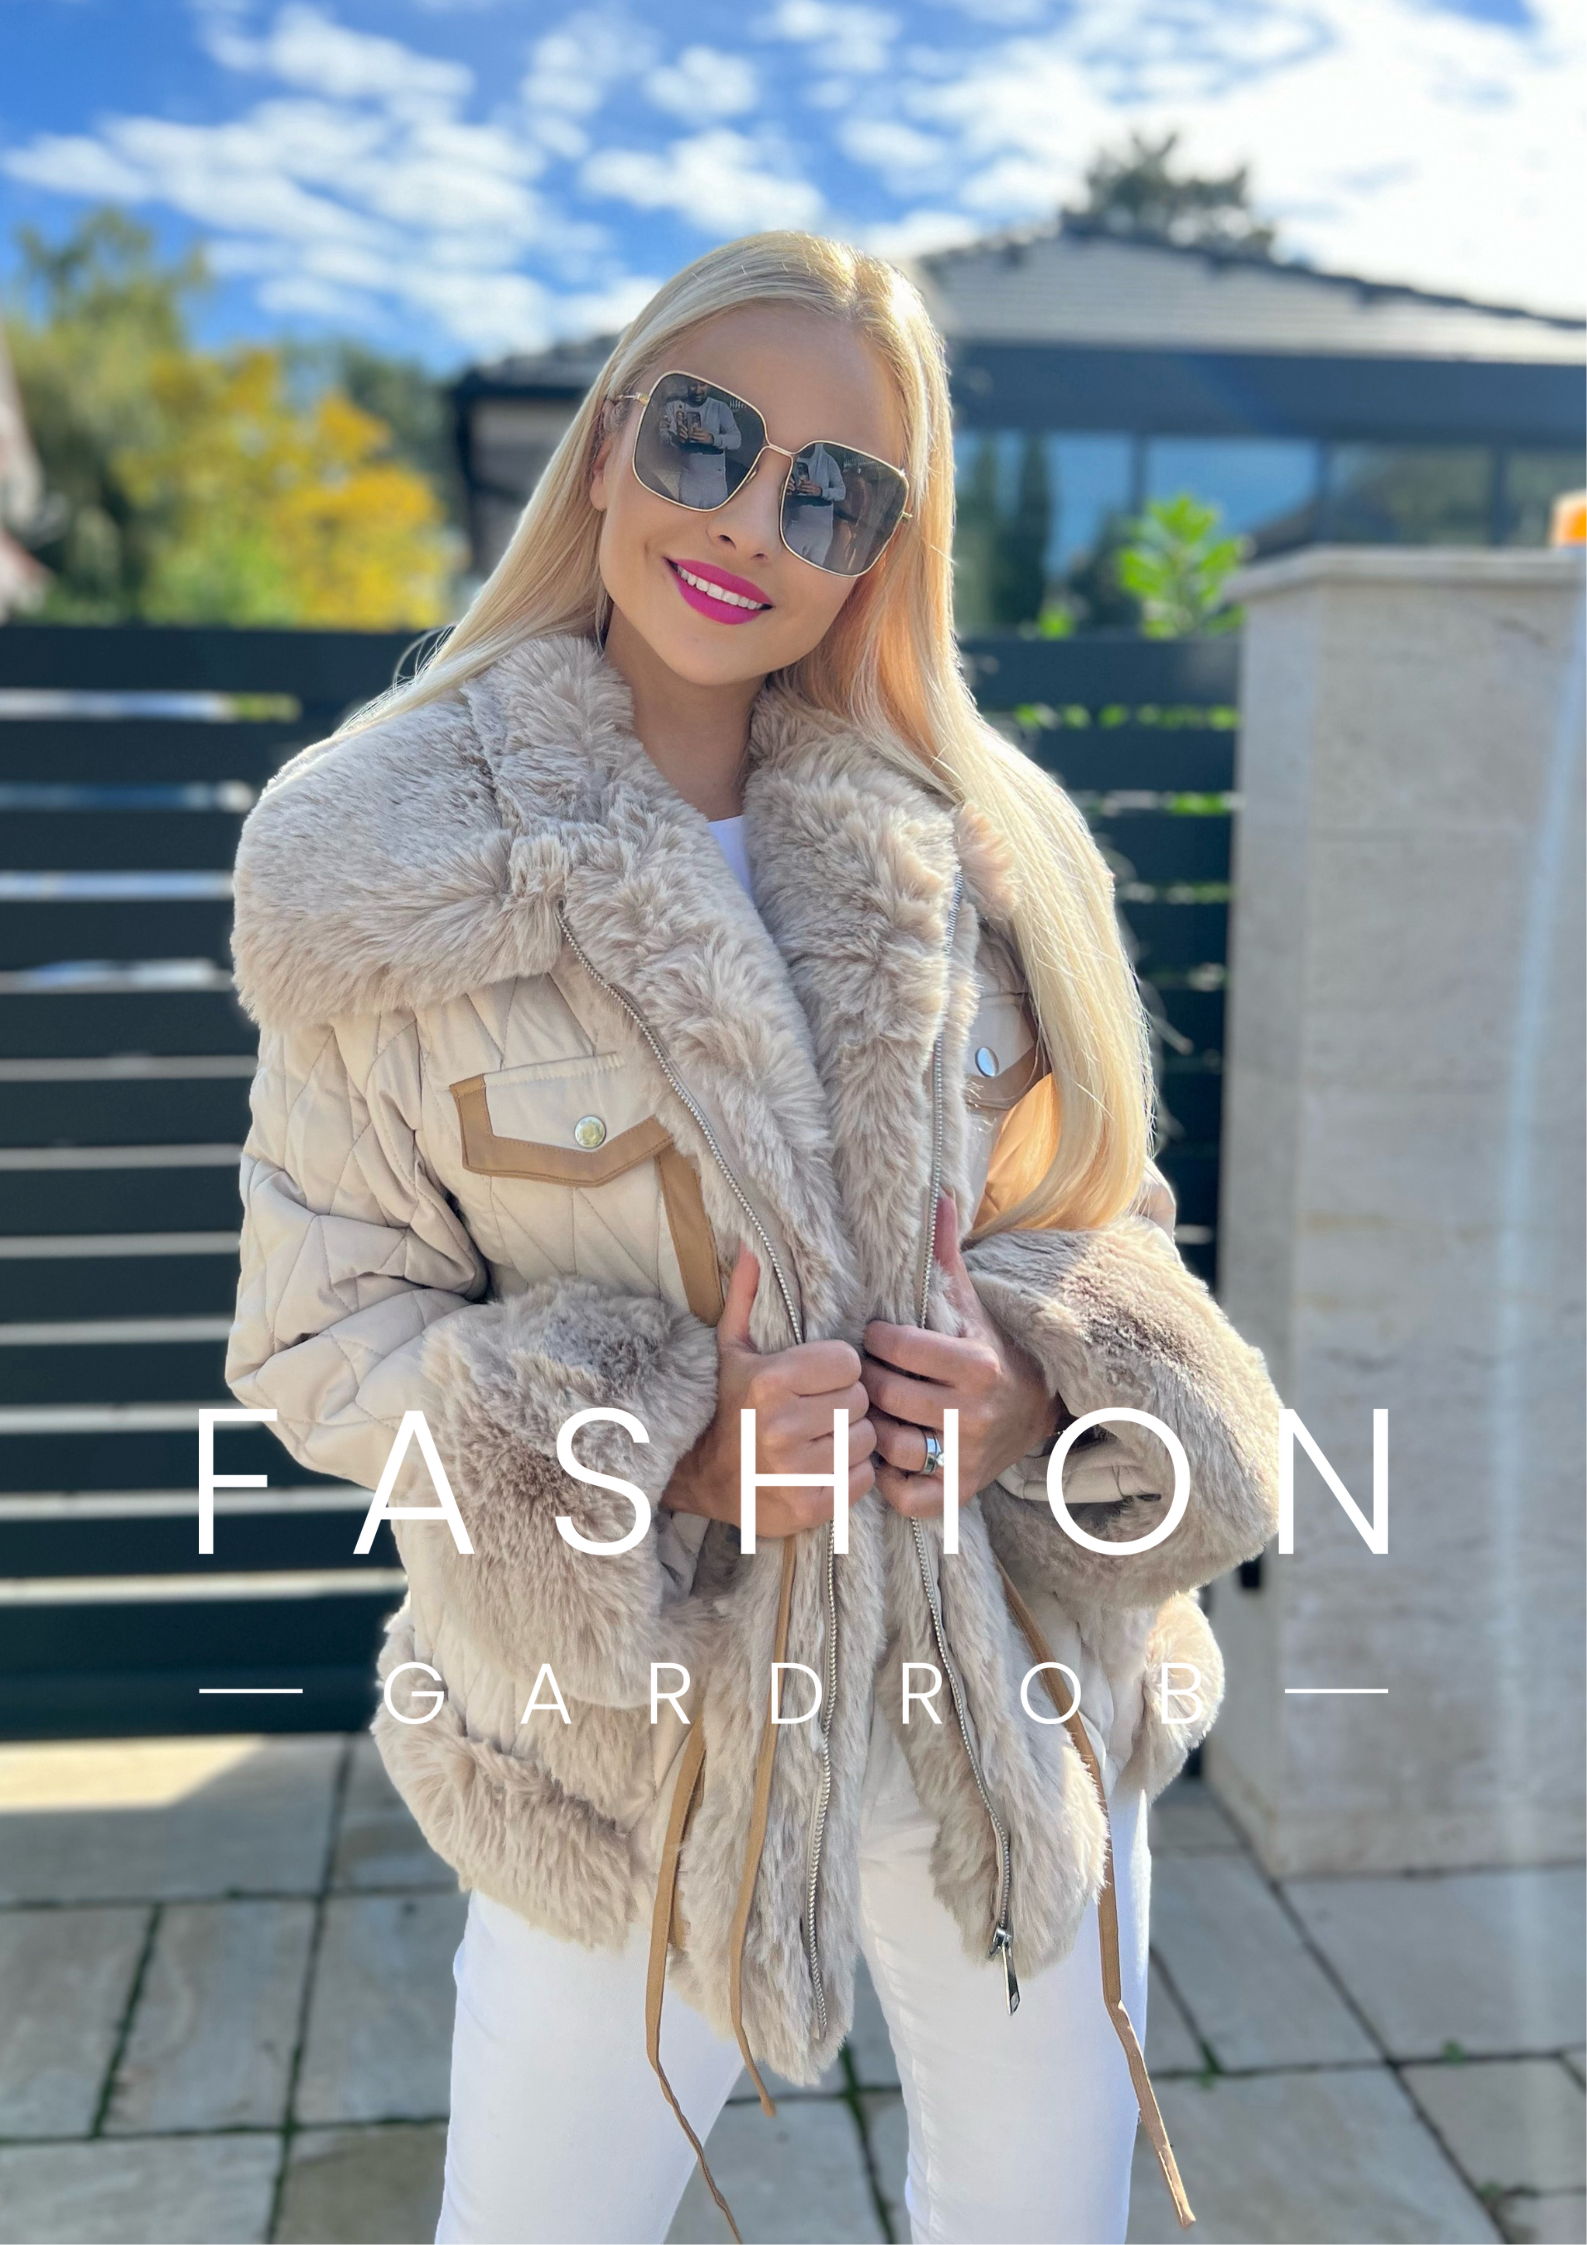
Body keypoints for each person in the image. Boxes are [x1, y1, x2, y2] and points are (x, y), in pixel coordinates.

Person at [226, 229, 1281, 2245]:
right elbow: (316, 1340)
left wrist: (1031, 1387)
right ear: (607, 443)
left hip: (1006, 1698)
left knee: (1040, 2214)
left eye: (831, 491)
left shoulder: (982, 848)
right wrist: (663, 1445)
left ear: (881, 550)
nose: (745, 524)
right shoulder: (383, 866)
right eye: (706, 438)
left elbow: (1108, 1219)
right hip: (627, 1743)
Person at [782, 438, 848, 565]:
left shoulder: (828, 461)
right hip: (795, 527)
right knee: (786, 566)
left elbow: (841, 492)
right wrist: (784, 487)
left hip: (821, 532)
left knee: (811, 570)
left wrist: (820, 491)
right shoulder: (788, 460)